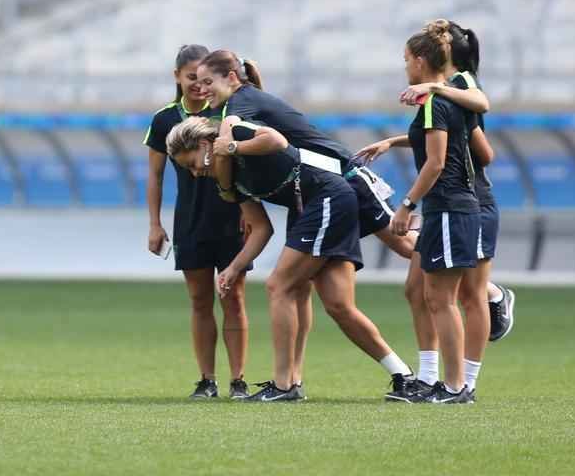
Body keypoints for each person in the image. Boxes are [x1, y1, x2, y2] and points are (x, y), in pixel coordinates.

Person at [194, 50, 418, 392]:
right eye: (196, 82)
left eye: (208, 81)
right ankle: (401, 376)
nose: (201, 89)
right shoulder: (237, 114)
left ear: (232, 78)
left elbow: (266, 140)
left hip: (344, 178)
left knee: (404, 245)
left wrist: (230, 148)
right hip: (318, 193)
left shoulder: (238, 108)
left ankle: (487, 290)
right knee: (332, 302)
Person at [166, 115, 413, 402]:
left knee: (279, 286)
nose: (195, 173)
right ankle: (403, 375)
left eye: (192, 163)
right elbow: (261, 229)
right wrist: (233, 269)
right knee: (339, 305)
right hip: (310, 207)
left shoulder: (237, 134)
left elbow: (276, 140)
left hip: (328, 196)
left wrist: (231, 146)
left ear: (205, 143)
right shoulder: (227, 182)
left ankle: (285, 385)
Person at [369, 24, 481, 404]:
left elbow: (434, 164)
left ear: (420, 61)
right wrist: (391, 142)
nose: (405, 69)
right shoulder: (444, 100)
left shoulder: (437, 100)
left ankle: (454, 387)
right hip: (445, 209)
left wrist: (406, 206)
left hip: (450, 206)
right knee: (426, 294)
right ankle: (440, 382)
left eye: (406, 61)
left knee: (443, 300)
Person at [144, 45, 252, 400]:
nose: (196, 85)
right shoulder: (164, 120)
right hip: (190, 219)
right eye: (189, 77)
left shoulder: (225, 112)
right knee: (199, 300)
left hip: (232, 217)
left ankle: (238, 380)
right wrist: (155, 224)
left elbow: (249, 166)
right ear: (176, 76)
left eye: (201, 78)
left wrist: (251, 212)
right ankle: (207, 380)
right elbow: (156, 176)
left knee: (233, 297)